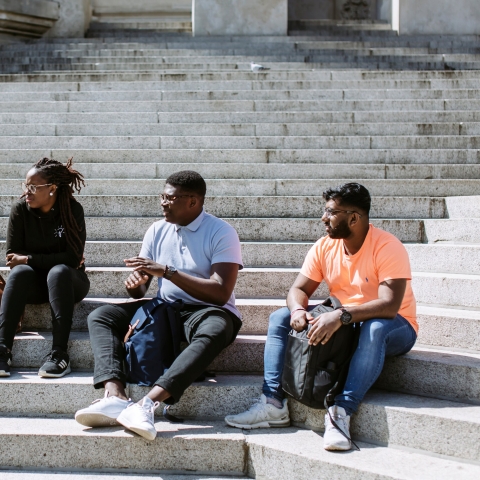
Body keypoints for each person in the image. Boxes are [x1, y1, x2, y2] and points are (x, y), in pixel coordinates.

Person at [225, 183, 418, 451]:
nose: (323, 218)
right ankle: (273, 404)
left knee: (374, 328)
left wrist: (341, 315)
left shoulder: (387, 246)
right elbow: (299, 289)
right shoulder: (325, 246)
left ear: (354, 218)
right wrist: (298, 310)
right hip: (345, 321)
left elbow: (388, 305)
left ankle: (341, 412)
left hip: (395, 325)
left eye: (331, 212)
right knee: (280, 317)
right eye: (325, 210)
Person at [75, 170, 243, 441]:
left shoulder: (222, 232)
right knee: (102, 315)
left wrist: (168, 272)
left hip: (207, 309)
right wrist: (135, 285)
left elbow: (221, 293)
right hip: (165, 307)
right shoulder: (157, 229)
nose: (163, 203)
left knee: (217, 327)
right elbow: (143, 285)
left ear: (193, 202)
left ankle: (147, 404)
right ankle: (115, 394)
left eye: (171, 198)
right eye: (162, 196)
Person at [0, 157, 89, 378]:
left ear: (52, 188)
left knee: (58, 271)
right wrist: (29, 262)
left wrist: (29, 258)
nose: (27, 192)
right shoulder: (20, 210)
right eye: (25, 186)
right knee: (20, 272)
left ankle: (59, 354)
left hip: (68, 283)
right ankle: (2, 350)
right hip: (33, 285)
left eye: (33, 187)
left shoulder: (72, 210)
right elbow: (12, 258)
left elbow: (72, 258)